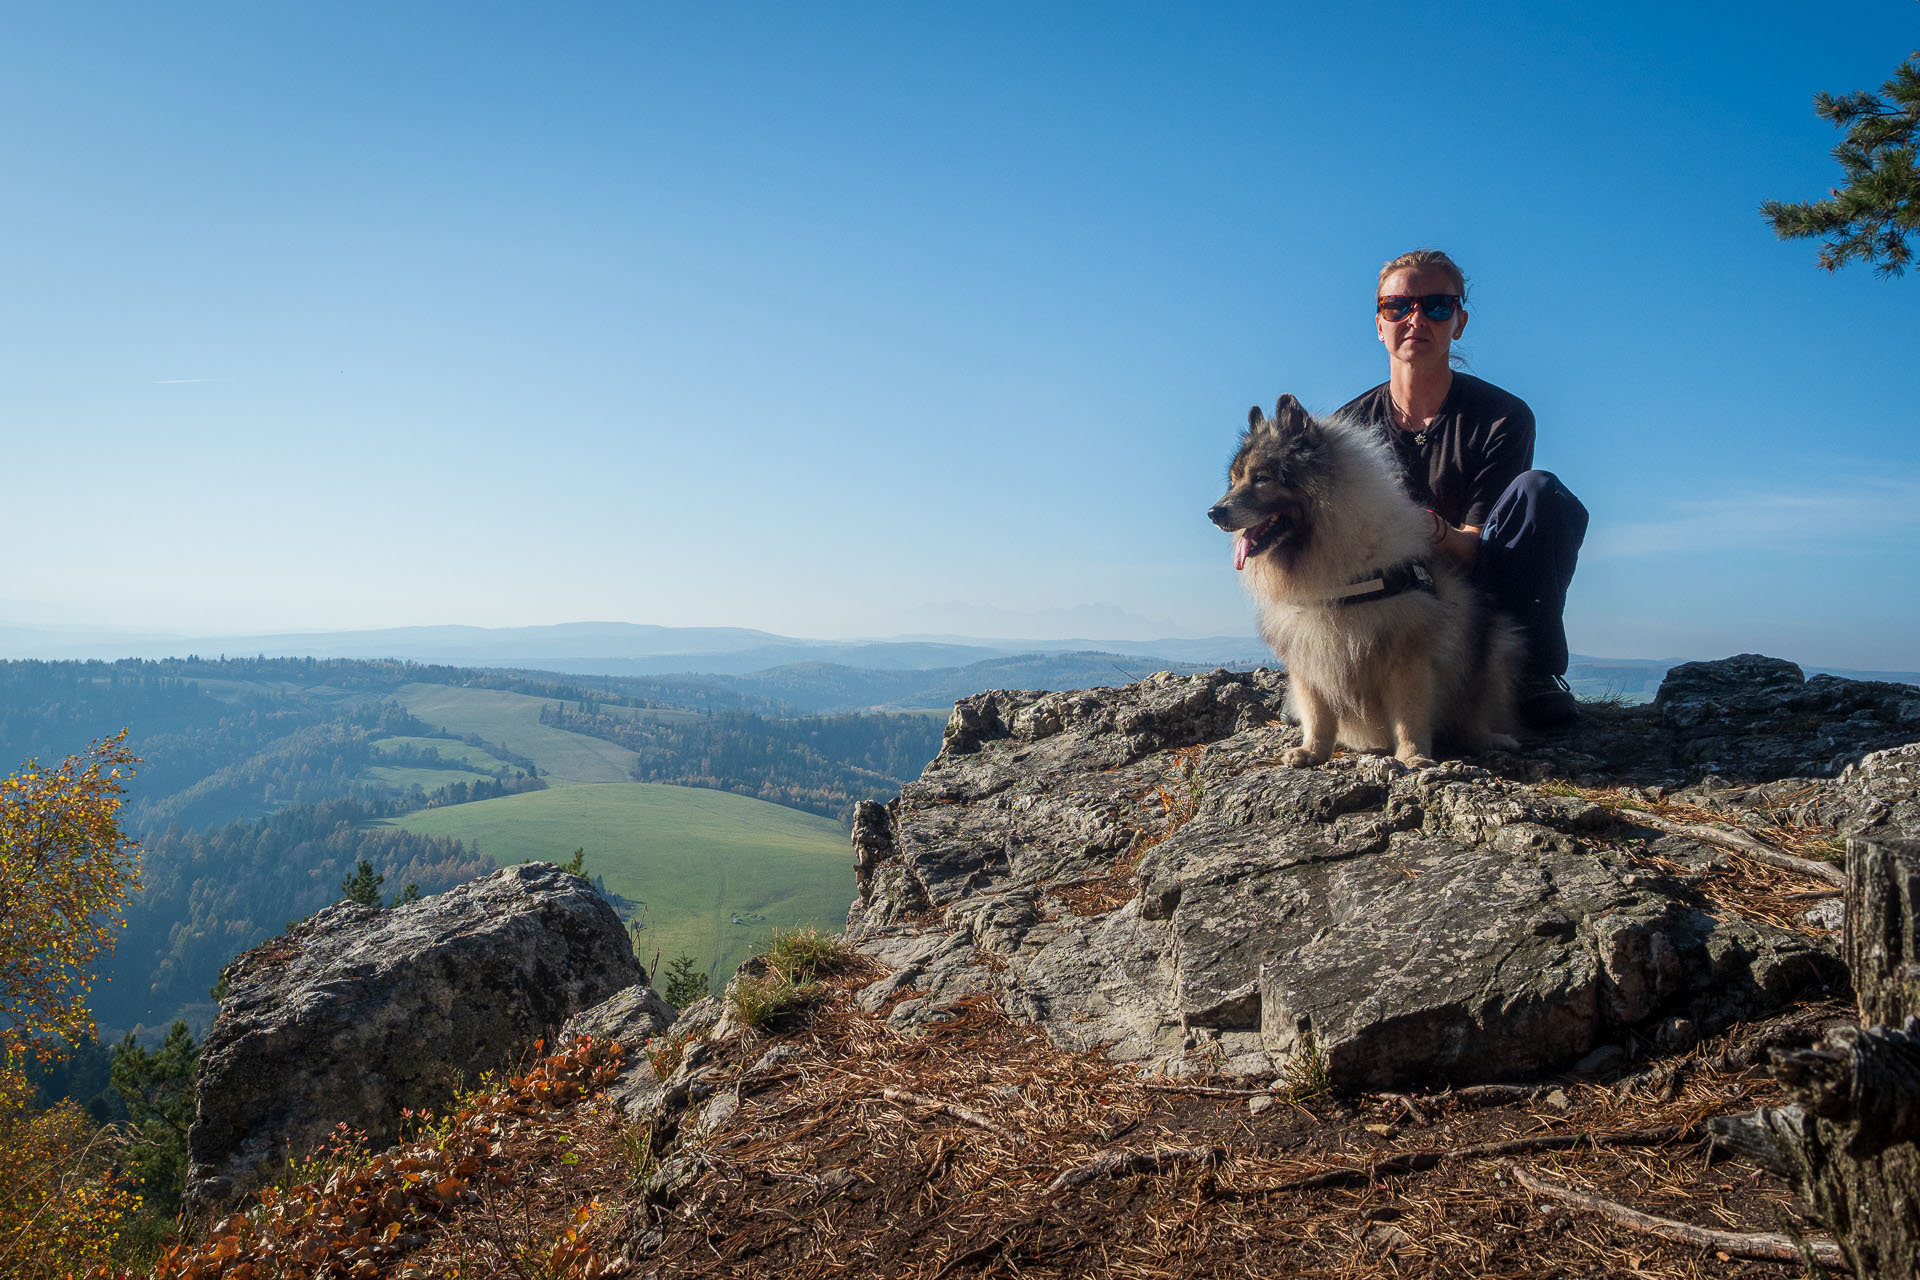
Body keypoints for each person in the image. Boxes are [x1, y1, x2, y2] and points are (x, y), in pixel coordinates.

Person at [1334, 249, 1587, 728]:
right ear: (1379, 322)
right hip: (1385, 600)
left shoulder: (1503, 418)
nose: (1415, 319)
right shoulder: (1348, 428)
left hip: (1477, 590)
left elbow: (1480, 548)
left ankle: (1530, 673)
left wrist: (1430, 532)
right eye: (1397, 306)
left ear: (1460, 321)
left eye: (1436, 306)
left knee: (1540, 494)